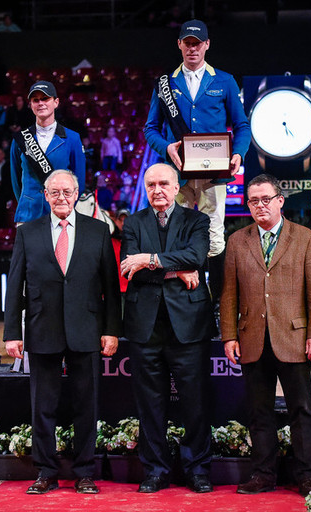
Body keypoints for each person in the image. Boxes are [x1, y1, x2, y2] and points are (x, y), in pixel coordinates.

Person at [4, 169, 121, 495]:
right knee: (43, 406)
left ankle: (85, 472)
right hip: (42, 330)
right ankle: (45, 472)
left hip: (87, 330)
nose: (61, 197)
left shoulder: (98, 231)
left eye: (66, 192)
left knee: (87, 405)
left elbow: (111, 287)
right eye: (54, 192)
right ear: (45, 195)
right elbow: (15, 285)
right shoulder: (28, 232)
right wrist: (12, 331)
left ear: (76, 193)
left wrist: (112, 329)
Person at [220, 173, 311, 497]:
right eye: (253, 200)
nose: (260, 205)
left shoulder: (306, 237)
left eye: (266, 199)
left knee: (302, 410)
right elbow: (229, 294)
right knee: (258, 412)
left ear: (280, 201)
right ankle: (263, 474)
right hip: (252, 339)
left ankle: (307, 475)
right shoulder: (237, 241)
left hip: (295, 339)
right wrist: (228, 336)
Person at [120, 163, 217, 494]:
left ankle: (197, 468)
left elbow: (197, 255)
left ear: (177, 188)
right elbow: (129, 268)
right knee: (150, 405)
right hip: (144, 328)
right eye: (151, 185)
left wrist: (150, 259)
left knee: (196, 402)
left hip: (188, 327)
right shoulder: (133, 222)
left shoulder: (197, 221)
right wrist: (177, 270)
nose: (157, 190)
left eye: (163, 183)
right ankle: (156, 470)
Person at [143, 19, 251, 314]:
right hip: (175, 175)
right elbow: (150, 129)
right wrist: (165, 146)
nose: (192, 48)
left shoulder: (225, 81)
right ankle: (172, 301)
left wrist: (238, 154)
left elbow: (242, 126)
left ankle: (217, 308)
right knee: (171, 233)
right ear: (179, 44)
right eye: (187, 43)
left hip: (213, 175)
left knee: (214, 236)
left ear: (207, 45)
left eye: (197, 43)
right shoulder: (165, 84)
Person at [10, 81, 85, 224]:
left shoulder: (73, 139)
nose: (40, 103)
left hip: (60, 217)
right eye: (35, 100)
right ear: (31, 105)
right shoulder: (20, 139)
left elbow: (79, 182)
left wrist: (65, 210)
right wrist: (29, 201)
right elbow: (16, 181)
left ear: (56, 102)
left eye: (45, 98)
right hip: (28, 215)